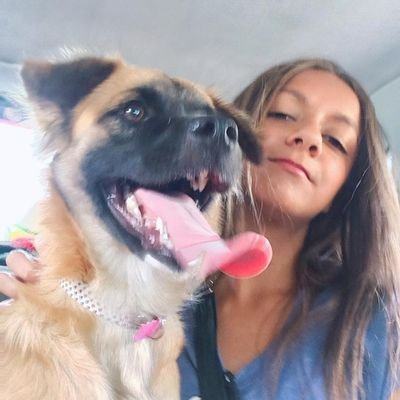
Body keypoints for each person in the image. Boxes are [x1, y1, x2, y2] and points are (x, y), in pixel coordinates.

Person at [1, 58, 400, 400]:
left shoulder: (375, 321)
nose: (309, 137)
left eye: (335, 140)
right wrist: (63, 301)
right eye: (282, 114)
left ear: (345, 189)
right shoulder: (150, 307)